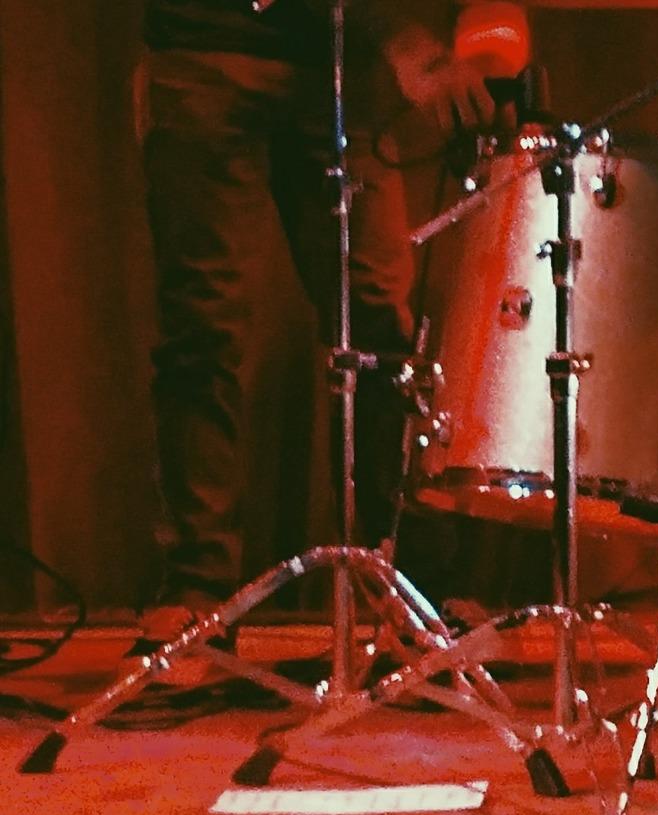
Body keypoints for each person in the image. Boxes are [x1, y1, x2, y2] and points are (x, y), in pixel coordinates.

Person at [137, 0, 525, 649]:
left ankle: (414, 587)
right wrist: (403, 38)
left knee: (382, 334)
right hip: (208, 46)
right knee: (204, 331)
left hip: (338, 66)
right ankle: (195, 595)